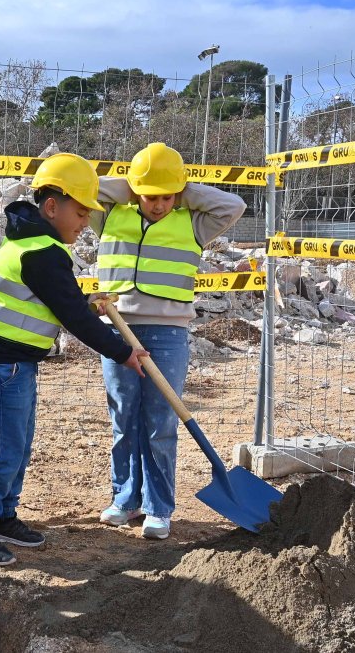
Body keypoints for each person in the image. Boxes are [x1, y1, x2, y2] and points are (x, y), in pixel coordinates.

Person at [0, 153, 148, 566]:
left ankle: (3, 514)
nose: (85, 224)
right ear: (51, 206)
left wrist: (86, 305)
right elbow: (72, 318)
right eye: (81, 213)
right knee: (5, 446)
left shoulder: (30, 242)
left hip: (9, 362)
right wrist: (122, 350)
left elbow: (54, 301)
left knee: (18, 444)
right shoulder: (43, 252)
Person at [92, 142, 246, 540]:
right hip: (117, 329)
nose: (158, 205)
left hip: (167, 333)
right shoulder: (109, 215)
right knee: (123, 419)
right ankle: (126, 499)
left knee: (160, 421)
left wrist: (181, 187)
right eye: (149, 196)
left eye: (166, 196)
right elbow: (84, 189)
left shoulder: (193, 222)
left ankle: (159, 508)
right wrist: (130, 187)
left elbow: (233, 206)